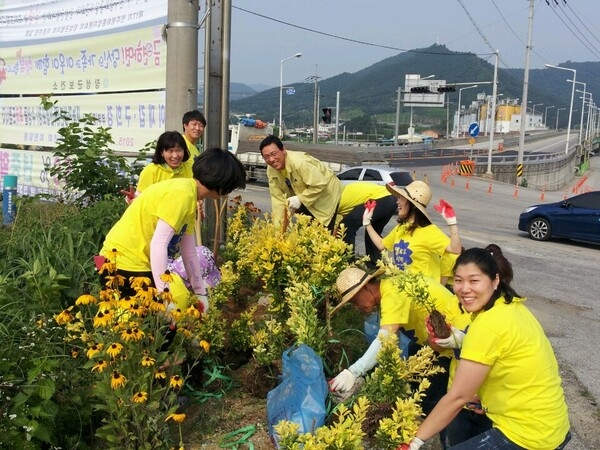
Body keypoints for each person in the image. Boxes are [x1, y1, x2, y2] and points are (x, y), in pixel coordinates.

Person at [403, 247, 571, 450]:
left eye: (474, 281)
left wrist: (414, 441)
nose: (464, 289)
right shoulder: (511, 306)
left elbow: (457, 397)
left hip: (527, 436)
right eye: (458, 280)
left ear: (495, 280)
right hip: (553, 424)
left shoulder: (488, 325)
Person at [99, 147, 246, 310]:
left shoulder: (190, 196)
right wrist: (164, 294)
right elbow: (159, 244)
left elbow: (189, 251)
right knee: (152, 325)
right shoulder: (182, 194)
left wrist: (200, 292)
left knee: (159, 325)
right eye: (231, 186)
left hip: (131, 261)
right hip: (121, 262)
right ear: (222, 182)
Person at [329, 266, 460, 428]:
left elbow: (386, 337)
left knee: (433, 398)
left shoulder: (393, 292)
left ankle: (436, 429)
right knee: (414, 363)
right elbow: (390, 339)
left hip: (450, 345)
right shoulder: (389, 288)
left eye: (355, 301)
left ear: (365, 288)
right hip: (429, 343)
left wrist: (354, 371)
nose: (356, 307)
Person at [363, 180, 462, 284]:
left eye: (401, 198)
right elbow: (381, 245)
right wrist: (367, 223)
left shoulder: (429, 231)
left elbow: (455, 250)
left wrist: (452, 223)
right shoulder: (401, 228)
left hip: (423, 294)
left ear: (413, 205)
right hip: (405, 290)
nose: (397, 202)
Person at [259, 135, 341, 232]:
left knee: (322, 234)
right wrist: (278, 229)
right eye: (266, 157)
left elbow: (320, 184)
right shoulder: (271, 170)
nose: (271, 159)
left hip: (327, 195)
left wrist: (300, 198)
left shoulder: (299, 162)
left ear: (283, 150)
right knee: (304, 232)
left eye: (274, 154)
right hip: (307, 197)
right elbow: (278, 199)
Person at [337, 180, 398, 268]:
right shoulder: (343, 193)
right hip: (390, 199)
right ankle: (374, 265)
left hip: (380, 198)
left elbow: (337, 227)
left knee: (346, 226)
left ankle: (348, 264)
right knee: (372, 233)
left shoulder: (334, 201)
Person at [132, 131, 192, 199]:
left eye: (178, 150)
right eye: (170, 151)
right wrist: (133, 199)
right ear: (161, 153)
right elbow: (140, 200)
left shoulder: (191, 168)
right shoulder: (151, 171)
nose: (175, 155)